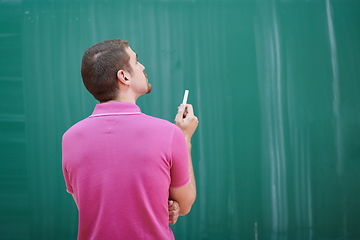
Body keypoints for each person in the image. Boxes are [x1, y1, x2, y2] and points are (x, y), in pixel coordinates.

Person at [62, 39, 198, 239]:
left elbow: (89, 205)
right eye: (136, 61)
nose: (142, 67)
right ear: (124, 76)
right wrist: (185, 137)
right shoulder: (168, 133)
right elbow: (185, 205)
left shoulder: (70, 138)